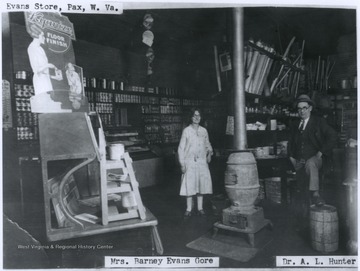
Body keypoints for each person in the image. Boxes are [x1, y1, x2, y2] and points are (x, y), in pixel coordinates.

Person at [288, 94, 337, 206]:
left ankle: (316, 194)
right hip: (299, 160)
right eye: (299, 108)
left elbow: (333, 136)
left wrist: (321, 152)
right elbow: (290, 143)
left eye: (304, 108)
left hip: (315, 159)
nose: (301, 111)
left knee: (310, 163)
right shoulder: (295, 125)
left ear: (310, 108)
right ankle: (294, 205)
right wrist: (291, 157)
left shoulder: (319, 122)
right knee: (287, 170)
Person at [178, 108, 213, 218]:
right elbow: (181, 148)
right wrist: (182, 164)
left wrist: (209, 153)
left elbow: (208, 144)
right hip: (190, 162)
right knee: (190, 185)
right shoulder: (187, 131)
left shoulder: (203, 131)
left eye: (198, 115)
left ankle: (200, 208)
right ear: (190, 117)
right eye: (194, 115)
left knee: (201, 184)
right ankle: (188, 209)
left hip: (202, 162)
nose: (197, 118)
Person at [27, 27, 62, 96]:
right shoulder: (32, 48)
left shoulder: (41, 49)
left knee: (50, 102)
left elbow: (44, 73)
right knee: (44, 102)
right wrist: (48, 65)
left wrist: (54, 77)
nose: (44, 38)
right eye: (42, 36)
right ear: (37, 36)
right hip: (40, 82)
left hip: (46, 81)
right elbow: (37, 71)